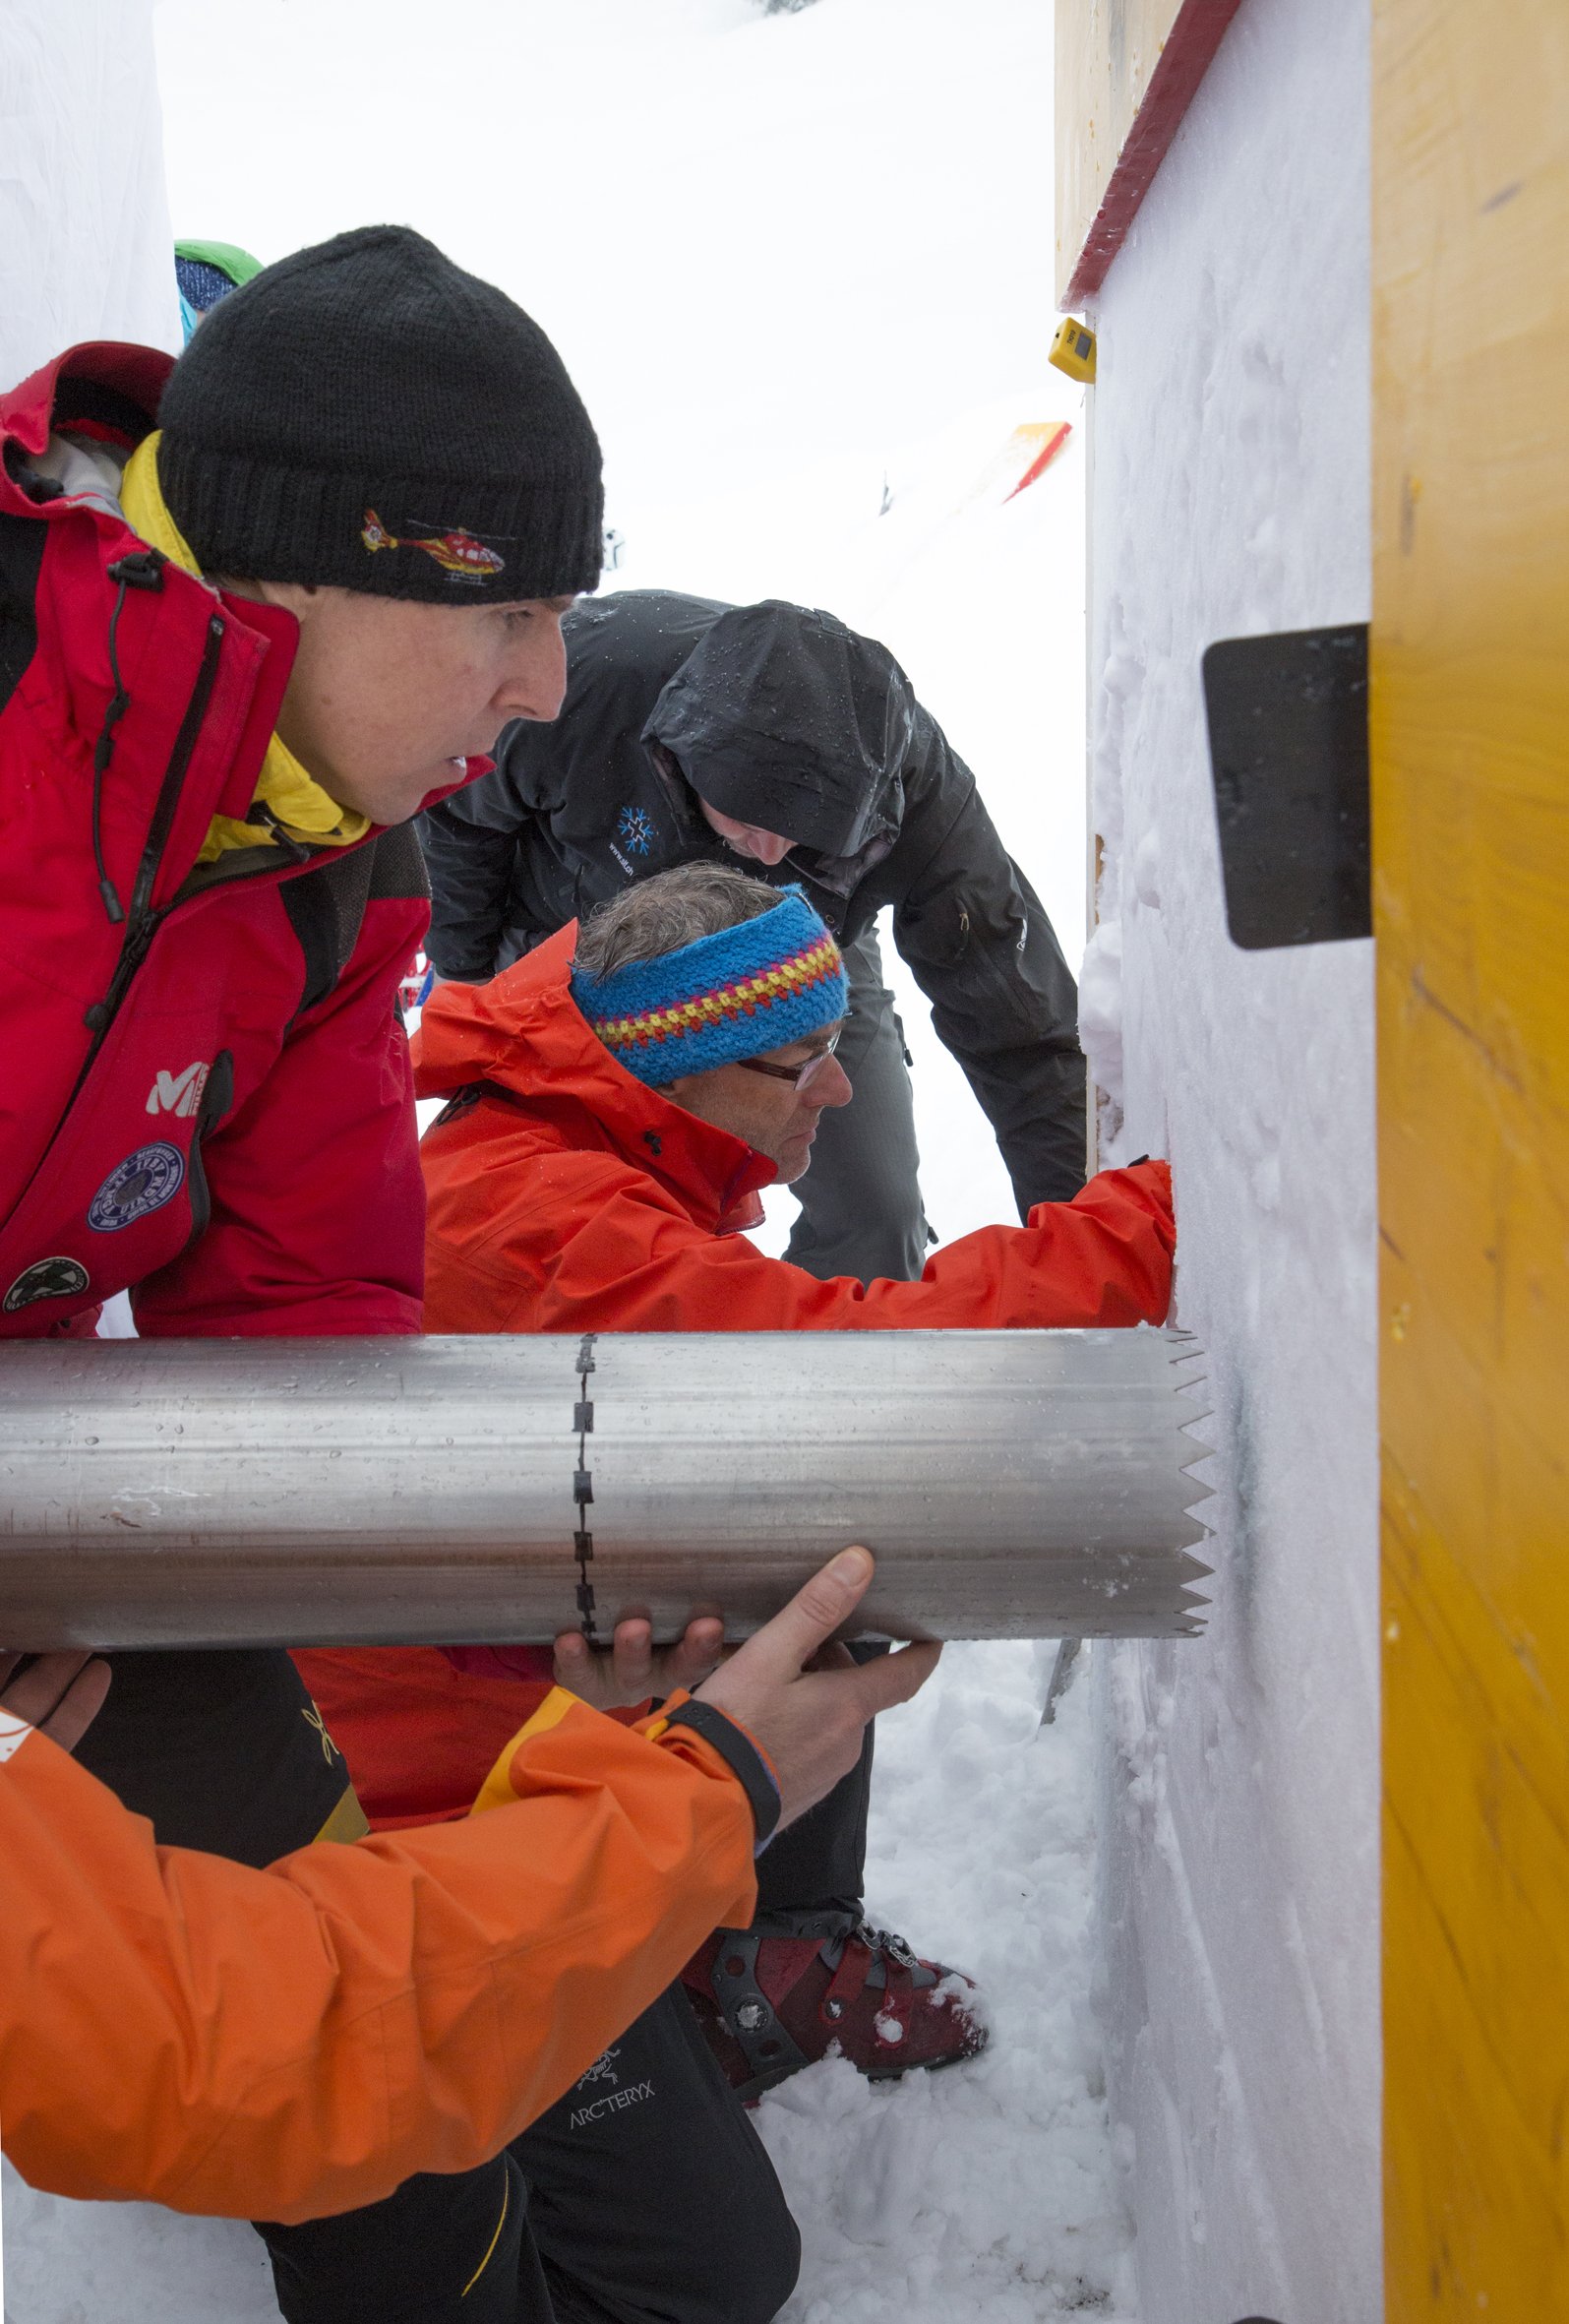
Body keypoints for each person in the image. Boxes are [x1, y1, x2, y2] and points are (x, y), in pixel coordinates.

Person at [0, 221, 712, 2321]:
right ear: (291, 566)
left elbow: (304, 1356)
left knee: (371, 2079)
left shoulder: (339, 875)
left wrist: (545, 1607)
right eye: (500, 607)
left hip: (56, 1514)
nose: (548, 687)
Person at [297, 866, 1173, 2111]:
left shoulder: (567, 1110)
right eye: (802, 1059)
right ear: (680, 1064)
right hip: (428, 1777)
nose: (843, 1084)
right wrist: (1154, 1225)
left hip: (493, 1658)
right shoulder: (553, 1230)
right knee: (823, 1537)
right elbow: (868, 1380)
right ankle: (744, 1961)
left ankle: (741, 1937)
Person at [1, 1549, 936, 2235]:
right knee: (694, 2269)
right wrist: (715, 1787)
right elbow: (237, 2058)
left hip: (403, 1854)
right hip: (362, 1938)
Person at [416, 588, 1089, 1287]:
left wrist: (1088, 1259)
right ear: (675, 759)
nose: (768, 853)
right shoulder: (581, 686)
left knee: (874, 1207)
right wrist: (468, 974)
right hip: (588, 949)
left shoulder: (922, 800)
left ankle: (819, 1377)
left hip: (800, 954)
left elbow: (1022, 1038)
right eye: (744, 818)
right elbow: (456, 819)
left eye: (805, 834)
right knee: (590, 1232)